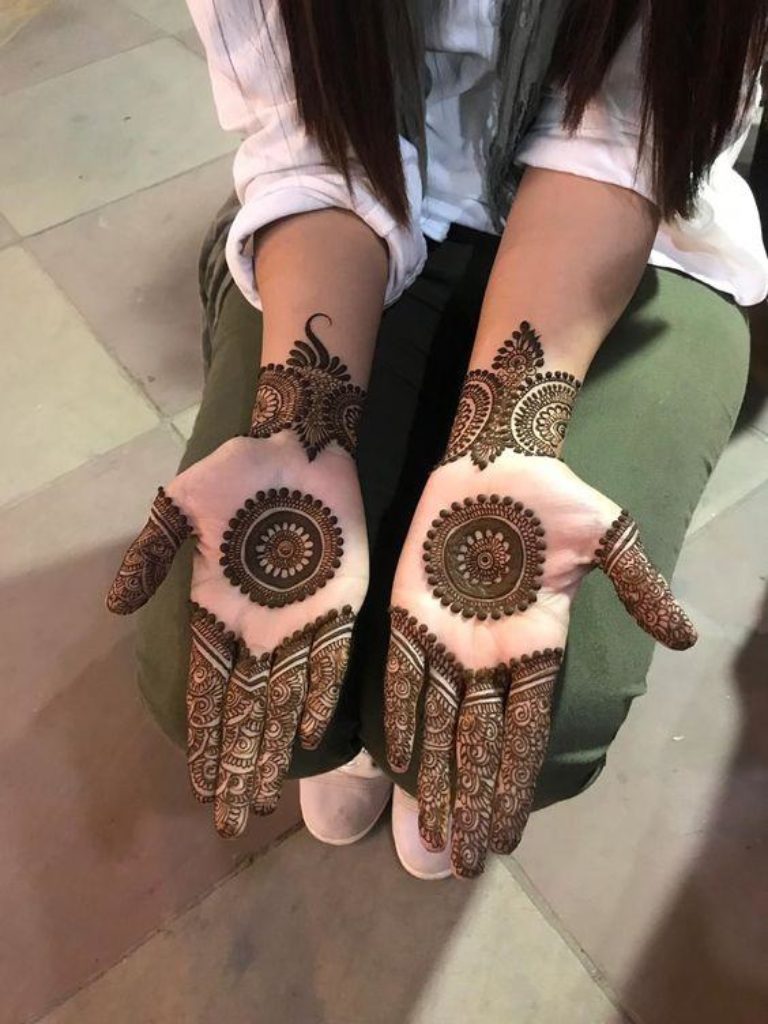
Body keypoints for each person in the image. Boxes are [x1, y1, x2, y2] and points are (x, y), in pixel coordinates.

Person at [106, 0, 768, 880]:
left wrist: (506, 443)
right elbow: (313, 139)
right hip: (359, 216)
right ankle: (362, 727)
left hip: (637, 237)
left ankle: (403, 738)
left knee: (550, 702)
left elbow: (624, 136)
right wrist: (302, 430)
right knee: (203, 655)